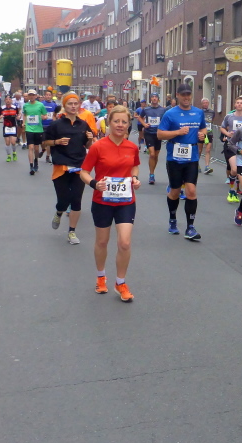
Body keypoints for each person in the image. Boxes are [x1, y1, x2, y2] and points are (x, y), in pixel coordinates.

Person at [79, 105, 141, 302]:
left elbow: (135, 167)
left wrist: (135, 179)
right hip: (102, 201)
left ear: (128, 124)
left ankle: (120, 282)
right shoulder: (98, 146)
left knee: (125, 242)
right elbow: (84, 172)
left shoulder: (132, 147)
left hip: (126, 201)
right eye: (116, 121)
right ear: (109, 123)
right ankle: (101, 276)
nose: (120, 125)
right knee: (102, 241)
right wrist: (94, 183)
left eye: (124, 122)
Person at [43, 92, 94, 245]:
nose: (73, 106)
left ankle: (72, 232)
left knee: (76, 200)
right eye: (70, 104)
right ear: (64, 106)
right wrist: (57, 142)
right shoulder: (56, 124)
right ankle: (59, 211)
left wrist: (90, 139)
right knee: (63, 200)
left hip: (79, 166)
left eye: (75, 103)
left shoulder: (83, 124)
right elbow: (45, 142)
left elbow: (88, 146)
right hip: (62, 166)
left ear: (79, 105)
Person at [157, 83, 207, 240]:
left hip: (192, 157)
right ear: (177, 96)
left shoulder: (198, 112)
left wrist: (202, 135)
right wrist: (178, 132)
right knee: (175, 191)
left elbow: (203, 128)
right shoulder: (170, 114)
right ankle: (172, 219)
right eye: (183, 94)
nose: (186, 97)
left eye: (188, 94)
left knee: (191, 191)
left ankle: (190, 227)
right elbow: (160, 134)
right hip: (175, 158)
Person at [219, 96, 242, 202]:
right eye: (238, 103)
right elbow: (222, 127)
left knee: (240, 171)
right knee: (234, 169)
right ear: (235, 105)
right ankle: (232, 190)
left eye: (241, 103)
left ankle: (235, 190)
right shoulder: (229, 117)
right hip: (231, 146)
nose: (239, 104)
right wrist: (227, 134)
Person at [138, 93, 166, 185]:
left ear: (158, 99)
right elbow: (140, 117)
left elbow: (166, 119)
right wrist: (144, 124)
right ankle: (151, 174)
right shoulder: (146, 109)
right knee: (152, 154)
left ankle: (152, 171)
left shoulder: (162, 110)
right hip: (149, 133)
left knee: (156, 155)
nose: (154, 98)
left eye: (156, 97)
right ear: (150, 99)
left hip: (158, 134)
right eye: (152, 97)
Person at [23, 89, 48, 175]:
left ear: (36, 96)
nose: (31, 96)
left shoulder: (40, 105)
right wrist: (23, 122)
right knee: (30, 147)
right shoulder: (25, 105)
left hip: (38, 129)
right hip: (29, 128)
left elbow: (45, 115)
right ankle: (31, 166)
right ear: (28, 96)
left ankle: (36, 160)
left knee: (36, 148)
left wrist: (44, 117)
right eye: (30, 95)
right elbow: (24, 114)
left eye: (33, 95)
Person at [0, 95, 19, 162]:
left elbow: (18, 114)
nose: (8, 100)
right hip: (6, 127)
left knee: (13, 142)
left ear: (11, 100)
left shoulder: (14, 107)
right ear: (5, 100)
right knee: (7, 142)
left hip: (13, 126)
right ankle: (8, 155)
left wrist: (18, 117)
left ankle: (14, 153)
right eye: (6, 99)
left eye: (9, 99)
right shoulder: (2, 108)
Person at [197, 98, 215, 174]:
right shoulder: (199, 112)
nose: (205, 104)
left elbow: (212, 120)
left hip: (209, 133)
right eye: (204, 103)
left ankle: (207, 167)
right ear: (201, 104)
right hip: (201, 133)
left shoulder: (212, 112)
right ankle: (196, 164)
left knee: (208, 150)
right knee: (199, 150)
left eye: (206, 103)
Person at [41, 90, 59, 163]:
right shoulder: (41, 104)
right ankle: (43, 149)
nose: (48, 96)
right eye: (47, 95)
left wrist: (55, 118)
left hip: (50, 125)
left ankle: (47, 156)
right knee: (42, 142)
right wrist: (41, 116)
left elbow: (56, 114)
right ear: (44, 96)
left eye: (49, 95)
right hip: (42, 125)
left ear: (51, 96)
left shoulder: (54, 105)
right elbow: (38, 112)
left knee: (48, 142)